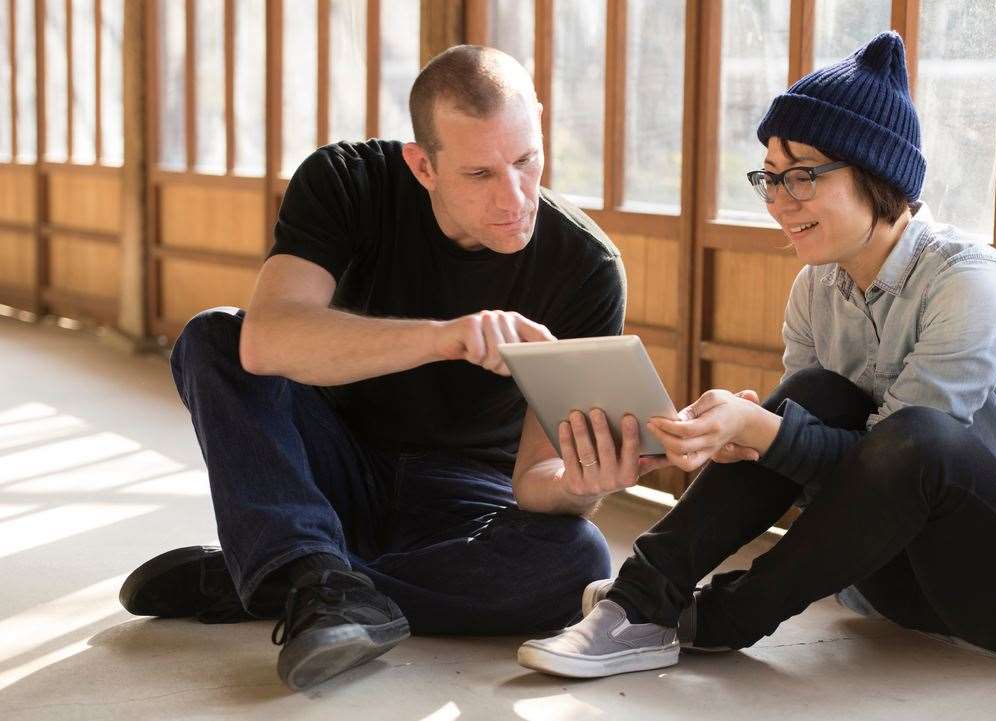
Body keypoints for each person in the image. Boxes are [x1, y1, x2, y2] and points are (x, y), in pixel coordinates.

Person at [518, 31, 996, 678]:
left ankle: (717, 617)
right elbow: (835, 475)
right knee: (814, 394)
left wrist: (767, 433)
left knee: (918, 437)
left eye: (801, 175)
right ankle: (640, 602)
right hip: (892, 588)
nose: (777, 200)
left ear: (876, 173)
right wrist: (734, 438)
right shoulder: (815, 288)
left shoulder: (970, 283)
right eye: (768, 178)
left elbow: (905, 465)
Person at [117, 46, 657, 691]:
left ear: (539, 123)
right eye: (480, 174)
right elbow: (266, 342)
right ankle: (306, 569)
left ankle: (289, 575)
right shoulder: (347, 181)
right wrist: (444, 338)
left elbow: (537, 478)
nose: (515, 198)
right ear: (422, 164)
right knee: (216, 337)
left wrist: (587, 481)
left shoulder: (585, 266)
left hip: (462, 495)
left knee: (574, 560)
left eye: (526, 160)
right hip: (332, 463)